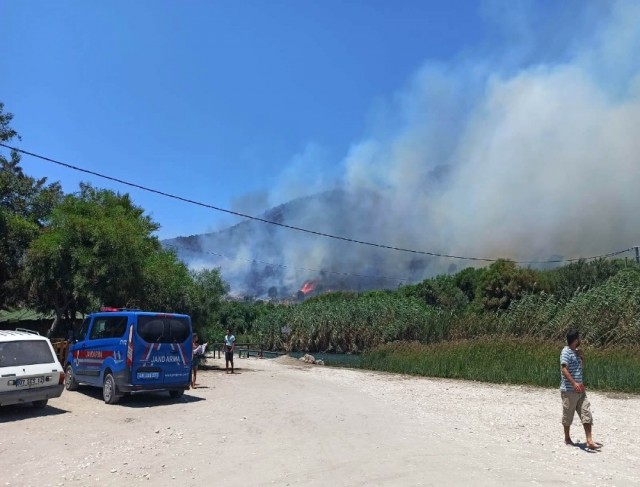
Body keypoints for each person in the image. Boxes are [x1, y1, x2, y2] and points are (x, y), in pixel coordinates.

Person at [560, 330, 601, 450]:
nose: (580, 340)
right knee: (568, 415)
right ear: (576, 340)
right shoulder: (565, 352)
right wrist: (574, 383)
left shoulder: (577, 352)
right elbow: (564, 369)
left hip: (581, 390)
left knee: (586, 412)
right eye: (579, 338)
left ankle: (589, 440)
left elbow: (581, 368)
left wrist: (582, 357)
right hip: (569, 390)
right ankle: (567, 438)